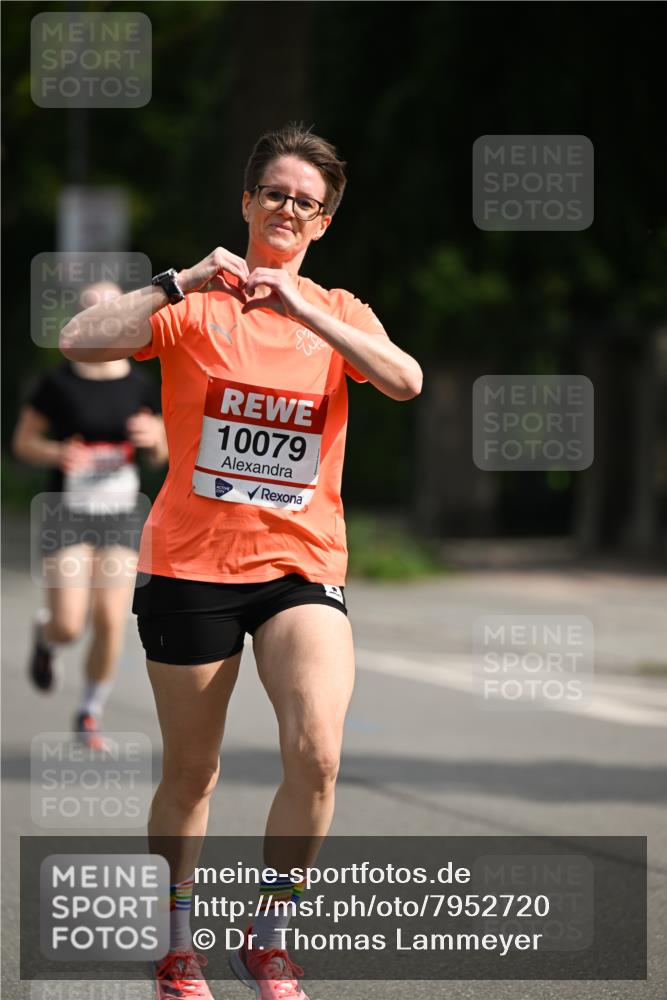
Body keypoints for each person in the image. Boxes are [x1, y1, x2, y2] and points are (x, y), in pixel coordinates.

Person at [59, 124, 423, 1000]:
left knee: (318, 753)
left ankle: (270, 937)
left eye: (308, 201)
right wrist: (177, 278)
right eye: (276, 193)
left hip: (302, 566)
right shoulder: (192, 306)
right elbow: (77, 338)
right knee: (193, 772)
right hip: (190, 565)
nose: (289, 208)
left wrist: (307, 310)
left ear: (323, 222)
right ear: (248, 201)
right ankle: (177, 943)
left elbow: (405, 380)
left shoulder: (338, 312)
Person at [13, 282, 168, 749]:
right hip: (69, 511)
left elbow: (162, 453)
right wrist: (60, 452)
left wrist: (152, 438)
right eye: (92, 311)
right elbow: (24, 443)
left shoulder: (142, 384)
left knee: (111, 617)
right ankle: (45, 635)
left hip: (121, 513)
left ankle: (90, 711)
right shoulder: (57, 384)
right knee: (69, 623)